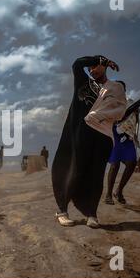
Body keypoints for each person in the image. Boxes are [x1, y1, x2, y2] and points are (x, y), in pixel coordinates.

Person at [52, 55, 126, 228]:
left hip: (103, 135)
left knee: (96, 174)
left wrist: (100, 116)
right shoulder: (83, 82)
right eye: (90, 67)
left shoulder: (115, 87)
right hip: (80, 134)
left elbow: (120, 109)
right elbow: (77, 64)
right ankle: (62, 210)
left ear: (103, 68)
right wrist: (100, 58)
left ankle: (91, 213)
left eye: (95, 66)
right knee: (74, 170)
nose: (92, 70)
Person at [105, 96, 140, 205]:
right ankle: (108, 195)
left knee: (132, 163)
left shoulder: (131, 101)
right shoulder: (112, 101)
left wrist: (137, 113)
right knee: (115, 164)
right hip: (115, 134)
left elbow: (136, 120)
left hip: (128, 136)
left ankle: (119, 191)